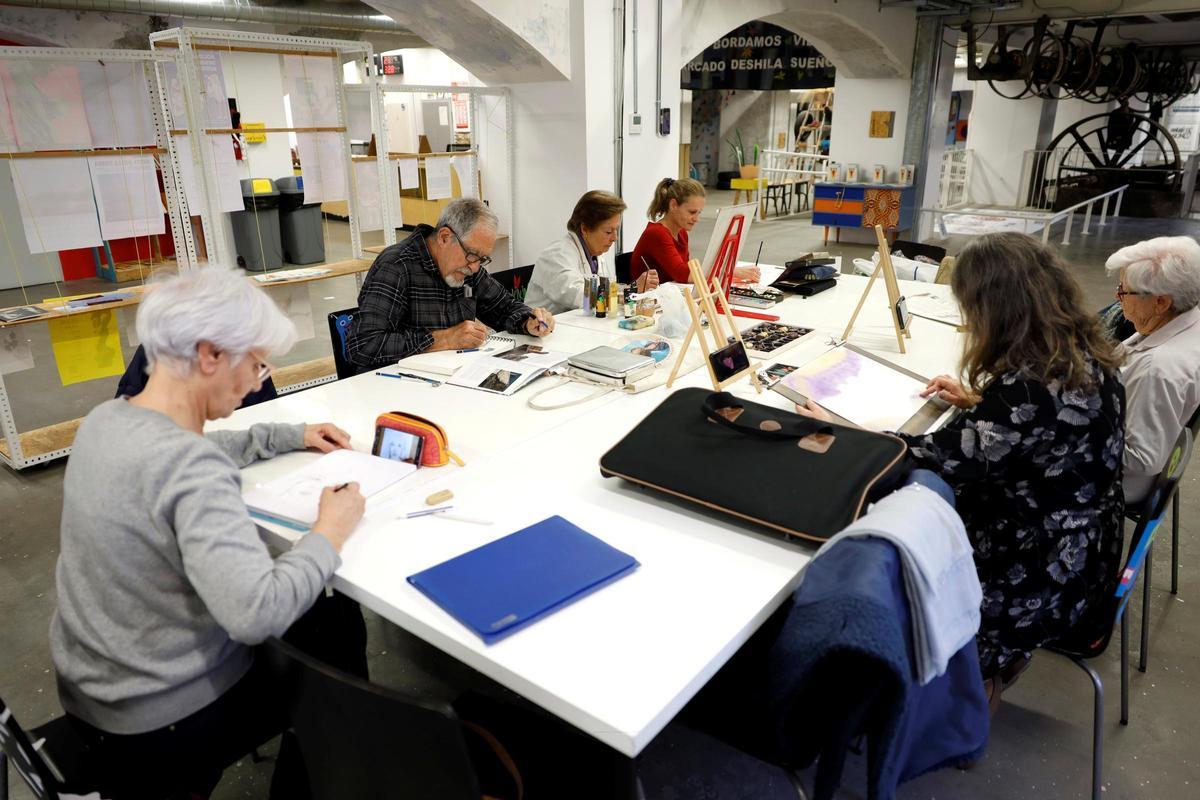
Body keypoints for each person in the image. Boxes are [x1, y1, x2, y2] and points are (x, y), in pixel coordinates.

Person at [50, 267, 368, 799]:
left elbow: (176, 456)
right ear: (210, 354)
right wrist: (328, 533)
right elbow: (256, 613)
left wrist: (289, 434)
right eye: (257, 363)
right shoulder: (192, 470)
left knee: (323, 620)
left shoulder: (107, 421)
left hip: (92, 689)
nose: (260, 381)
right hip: (158, 723)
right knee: (335, 640)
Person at [797, 232, 1126, 701]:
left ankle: (971, 681)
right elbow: (1047, 433)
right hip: (1080, 555)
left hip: (1034, 578)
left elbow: (924, 456)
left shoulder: (1027, 393)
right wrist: (978, 401)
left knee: (878, 541)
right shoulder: (1085, 355)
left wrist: (839, 429)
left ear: (997, 309)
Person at [346, 198, 556, 371]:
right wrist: (443, 339)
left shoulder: (467, 267)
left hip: (453, 378)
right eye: (473, 255)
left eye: (482, 259)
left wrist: (529, 321)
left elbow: (503, 307)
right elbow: (363, 346)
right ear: (445, 237)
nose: (475, 267)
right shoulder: (396, 267)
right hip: (399, 389)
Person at [1105, 236, 1200, 505]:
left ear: (1161, 303)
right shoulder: (1189, 321)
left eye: (1124, 291)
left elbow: (1142, 460)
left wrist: (1082, 432)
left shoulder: (1158, 369)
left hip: (1122, 482)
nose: (1117, 296)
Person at [525, 190, 658, 314]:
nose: (614, 238)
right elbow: (582, 297)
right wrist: (630, 292)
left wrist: (633, 287)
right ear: (585, 229)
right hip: (543, 334)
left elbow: (606, 290)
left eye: (616, 230)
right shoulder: (557, 255)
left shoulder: (596, 255)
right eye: (608, 232)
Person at [630, 177, 761, 286]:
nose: (697, 219)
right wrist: (731, 271)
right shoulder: (657, 234)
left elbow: (688, 271)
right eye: (692, 212)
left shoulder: (681, 233)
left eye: (699, 213)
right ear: (673, 205)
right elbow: (683, 274)